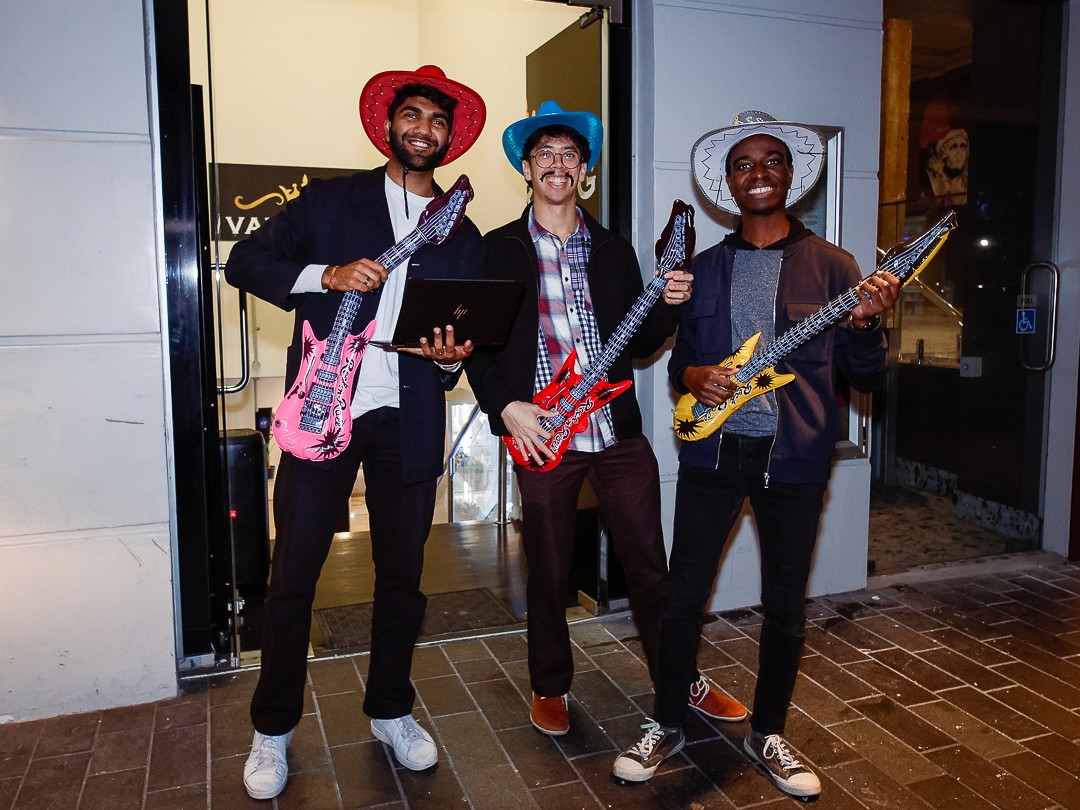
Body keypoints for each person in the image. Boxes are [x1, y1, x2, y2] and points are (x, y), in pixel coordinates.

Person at [612, 112, 901, 798]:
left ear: (791, 176)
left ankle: (767, 731)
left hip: (794, 460)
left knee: (786, 607)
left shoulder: (836, 267)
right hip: (712, 455)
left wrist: (868, 324)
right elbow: (680, 360)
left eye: (772, 160)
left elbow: (865, 376)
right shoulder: (704, 268)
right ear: (729, 183)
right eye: (744, 164)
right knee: (683, 598)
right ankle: (667, 720)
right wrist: (693, 376)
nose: (759, 172)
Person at [225, 65, 486, 800]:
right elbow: (244, 261)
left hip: (410, 413)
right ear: (389, 124)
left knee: (402, 578)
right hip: (323, 410)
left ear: (449, 137)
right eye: (414, 115)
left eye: (438, 120)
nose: (425, 129)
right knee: (293, 575)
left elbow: (458, 342)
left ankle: (391, 710)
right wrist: (326, 274)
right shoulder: (331, 200)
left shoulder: (462, 232)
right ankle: (273, 727)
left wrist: (449, 361)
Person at [465, 101, 747, 738]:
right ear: (527, 170)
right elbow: (478, 347)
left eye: (569, 155)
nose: (557, 165)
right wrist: (506, 407)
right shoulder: (497, 249)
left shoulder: (614, 250)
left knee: (650, 565)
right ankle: (549, 685)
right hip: (542, 434)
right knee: (548, 569)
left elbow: (640, 340)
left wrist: (669, 303)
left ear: (584, 170)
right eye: (544, 155)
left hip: (616, 433)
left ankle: (679, 678)